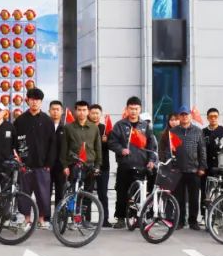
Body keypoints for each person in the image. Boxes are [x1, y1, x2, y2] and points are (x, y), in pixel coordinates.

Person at [107, 96, 157, 228]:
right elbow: (111, 142)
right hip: (125, 165)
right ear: (127, 109)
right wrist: (121, 149)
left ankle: (137, 218)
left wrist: (151, 160)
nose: (133, 111)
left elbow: (152, 146)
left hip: (141, 165)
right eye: (131, 108)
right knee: (121, 192)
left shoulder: (145, 126)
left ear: (140, 109)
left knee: (139, 194)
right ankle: (120, 218)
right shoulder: (120, 125)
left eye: (136, 109)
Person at [13, 88, 56, 228]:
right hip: (24, 164)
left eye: (37, 100)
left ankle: (41, 219)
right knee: (24, 193)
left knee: (43, 194)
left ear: (41, 102)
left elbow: (52, 143)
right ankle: (27, 219)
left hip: (42, 165)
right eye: (32, 99)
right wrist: (18, 158)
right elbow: (14, 142)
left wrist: (49, 164)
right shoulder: (20, 120)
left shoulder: (47, 120)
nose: (35, 102)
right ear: (27, 101)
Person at [59, 102, 101, 213]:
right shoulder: (68, 127)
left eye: (84, 110)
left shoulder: (94, 128)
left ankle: (86, 218)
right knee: (73, 192)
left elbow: (98, 148)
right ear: (75, 111)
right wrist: (65, 166)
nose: (81, 112)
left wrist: (97, 166)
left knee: (88, 194)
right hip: (74, 164)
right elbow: (64, 148)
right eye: (79, 110)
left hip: (89, 165)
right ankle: (72, 216)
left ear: (88, 111)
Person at [169, 107, 207, 229]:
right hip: (177, 170)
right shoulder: (173, 131)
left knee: (194, 198)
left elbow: (202, 150)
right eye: (182, 115)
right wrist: (170, 166)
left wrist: (202, 167)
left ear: (190, 116)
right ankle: (180, 221)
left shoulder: (198, 131)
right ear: (179, 117)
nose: (184, 117)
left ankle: (193, 221)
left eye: (186, 115)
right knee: (178, 198)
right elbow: (169, 150)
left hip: (194, 170)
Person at [89, 104, 110, 216]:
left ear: (100, 114)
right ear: (89, 113)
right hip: (89, 165)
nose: (95, 115)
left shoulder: (105, 129)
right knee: (87, 193)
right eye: (93, 113)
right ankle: (86, 218)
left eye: (97, 113)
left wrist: (107, 141)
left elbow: (113, 146)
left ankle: (105, 219)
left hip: (103, 166)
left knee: (103, 194)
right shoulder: (86, 127)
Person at [47, 100, 67, 211]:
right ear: (49, 111)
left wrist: (66, 165)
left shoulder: (66, 128)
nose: (55, 112)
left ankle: (58, 216)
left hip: (61, 166)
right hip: (47, 165)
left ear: (62, 111)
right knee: (46, 192)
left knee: (60, 192)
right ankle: (46, 217)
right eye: (53, 109)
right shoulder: (45, 126)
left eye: (57, 109)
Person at [201, 108, 221, 217]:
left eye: (215, 116)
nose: (213, 118)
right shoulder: (203, 132)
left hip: (219, 166)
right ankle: (204, 215)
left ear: (218, 117)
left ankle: (218, 215)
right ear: (207, 118)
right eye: (211, 117)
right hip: (205, 165)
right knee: (205, 191)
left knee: (219, 190)